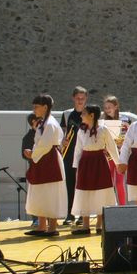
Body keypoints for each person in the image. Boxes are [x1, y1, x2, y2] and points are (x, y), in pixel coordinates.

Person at [71, 105, 121, 235]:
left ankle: (99, 224)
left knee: (102, 191)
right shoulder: (81, 131)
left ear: (92, 115)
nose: (81, 116)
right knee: (84, 191)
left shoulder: (103, 130)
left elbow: (112, 147)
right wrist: (76, 166)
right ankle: (85, 225)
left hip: (100, 163)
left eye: (84, 113)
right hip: (85, 163)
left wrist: (118, 163)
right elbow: (78, 149)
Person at [24, 94, 68, 236]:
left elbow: (46, 144)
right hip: (42, 158)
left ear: (45, 107)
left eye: (36, 106)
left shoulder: (50, 124)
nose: (34, 109)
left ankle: (52, 227)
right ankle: (42, 226)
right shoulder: (43, 123)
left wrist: (33, 154)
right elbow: (40, 143)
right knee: (41, 191)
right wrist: (33, 152)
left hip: (49, 159)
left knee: (51, 192)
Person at [101, 95, 137, 205]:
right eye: (106, 108)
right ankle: (109, 206)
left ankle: (122, 207)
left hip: (121, 155)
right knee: (108, 183)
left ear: (116, 106)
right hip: (108, 155)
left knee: (119, 182)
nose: (107, 110)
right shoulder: (102, 121)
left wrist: (123, 141)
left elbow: (130, 136)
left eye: (109, 107)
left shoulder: (125, 119)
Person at [60, 86, 88, 225]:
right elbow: (61, 132)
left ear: (86, 99)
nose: (80, 101)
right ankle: (70, 214)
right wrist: (62, 140)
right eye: (78, 98)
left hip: (84, 154)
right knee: (69, 184)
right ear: (73, 98)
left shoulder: (89, 113)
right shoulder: (66, 114)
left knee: (82, 185)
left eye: (82, 98)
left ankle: (83, 214)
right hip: (69, 155)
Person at [21, 112, 38, 227]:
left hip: (44, 167)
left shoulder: (43, 133)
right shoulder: (28, 137)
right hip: (34, 168)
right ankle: (36, 219)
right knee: (34, 194)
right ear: (33, 122)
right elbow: (23, 154)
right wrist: (31, 154)